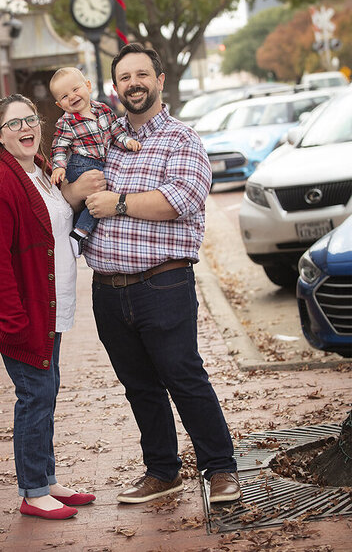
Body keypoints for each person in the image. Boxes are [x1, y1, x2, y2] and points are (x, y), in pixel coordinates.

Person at [68, 43, 239, 504]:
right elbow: (73, 187)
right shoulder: (102, 138)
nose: (134, 84)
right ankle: (162, 471)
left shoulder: (181, 139)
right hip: (106, 289)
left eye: (142, 75)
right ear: (115, 86)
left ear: (160, 80)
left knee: (183, 376)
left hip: (162, 282)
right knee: (139, 386)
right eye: (125, 77)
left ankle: (220, 468)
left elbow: (181, 199)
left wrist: (118, 203)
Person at [0, 93, 97, 520]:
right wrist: (13, 320)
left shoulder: (40, 169)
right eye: (13, 124)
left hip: (48, 307)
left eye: (31, 120)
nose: (25, 128)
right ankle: (33, 492)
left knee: (46, 393)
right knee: (35, 396)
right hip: (22, 314)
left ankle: (47, 479)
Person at [46, 66, 140, 251]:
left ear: (88, 86)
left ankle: (78, 231)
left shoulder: (103, 110)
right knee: (98, 197)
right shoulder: (66, 122)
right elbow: (60, 146)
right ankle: (80, 232)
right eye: (64, 96)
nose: (72, 97)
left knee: (99, 199)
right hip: (81, 164)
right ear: (59, 105)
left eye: (75, 89)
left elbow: (115, 131)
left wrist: (127, 141)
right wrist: (58, 167)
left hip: (100, 163)